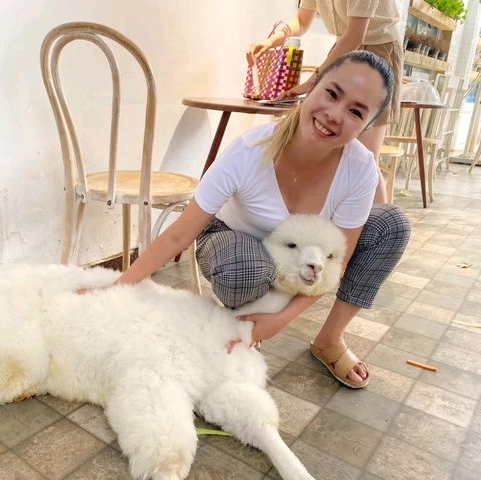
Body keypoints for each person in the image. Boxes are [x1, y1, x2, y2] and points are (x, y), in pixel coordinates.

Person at [95, 51, 410, 389]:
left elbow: (338, 261)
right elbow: (178, 237)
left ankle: (329, 339)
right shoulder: (247, 152)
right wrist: (115, 292)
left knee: (391, 225)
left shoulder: (360, 168)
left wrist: (278, 321)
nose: (334, 115)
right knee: (244, 270)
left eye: (355, 112)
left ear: (368, 125)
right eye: (332, 93)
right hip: (235, 239)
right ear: (313, 84)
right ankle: (241, 319)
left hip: (297, 254)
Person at [247, 0, 403, 204]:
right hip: (344, 47)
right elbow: (302, 21)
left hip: (379, 51)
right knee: (330, 153)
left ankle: (381, 231)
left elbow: (356, 34)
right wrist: (274, 40)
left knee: (366, 159)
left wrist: (314, 80)